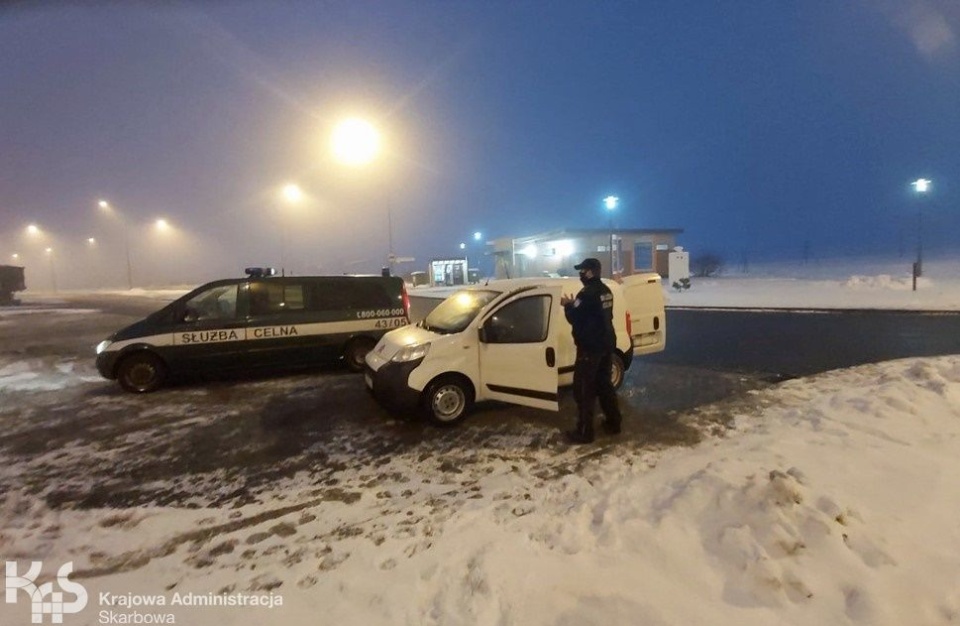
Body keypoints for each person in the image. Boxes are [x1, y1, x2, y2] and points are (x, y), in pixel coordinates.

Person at [560, 257, 623, 444]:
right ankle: (614, 423)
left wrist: (567, 305)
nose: (580, 274)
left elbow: (574, 318)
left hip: (590, 348)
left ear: (591, 272)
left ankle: (585, 432)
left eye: (583, 270)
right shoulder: (606, 291)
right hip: (606, 344)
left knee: (584, 390)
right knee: (605, 386)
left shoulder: (586, 294)